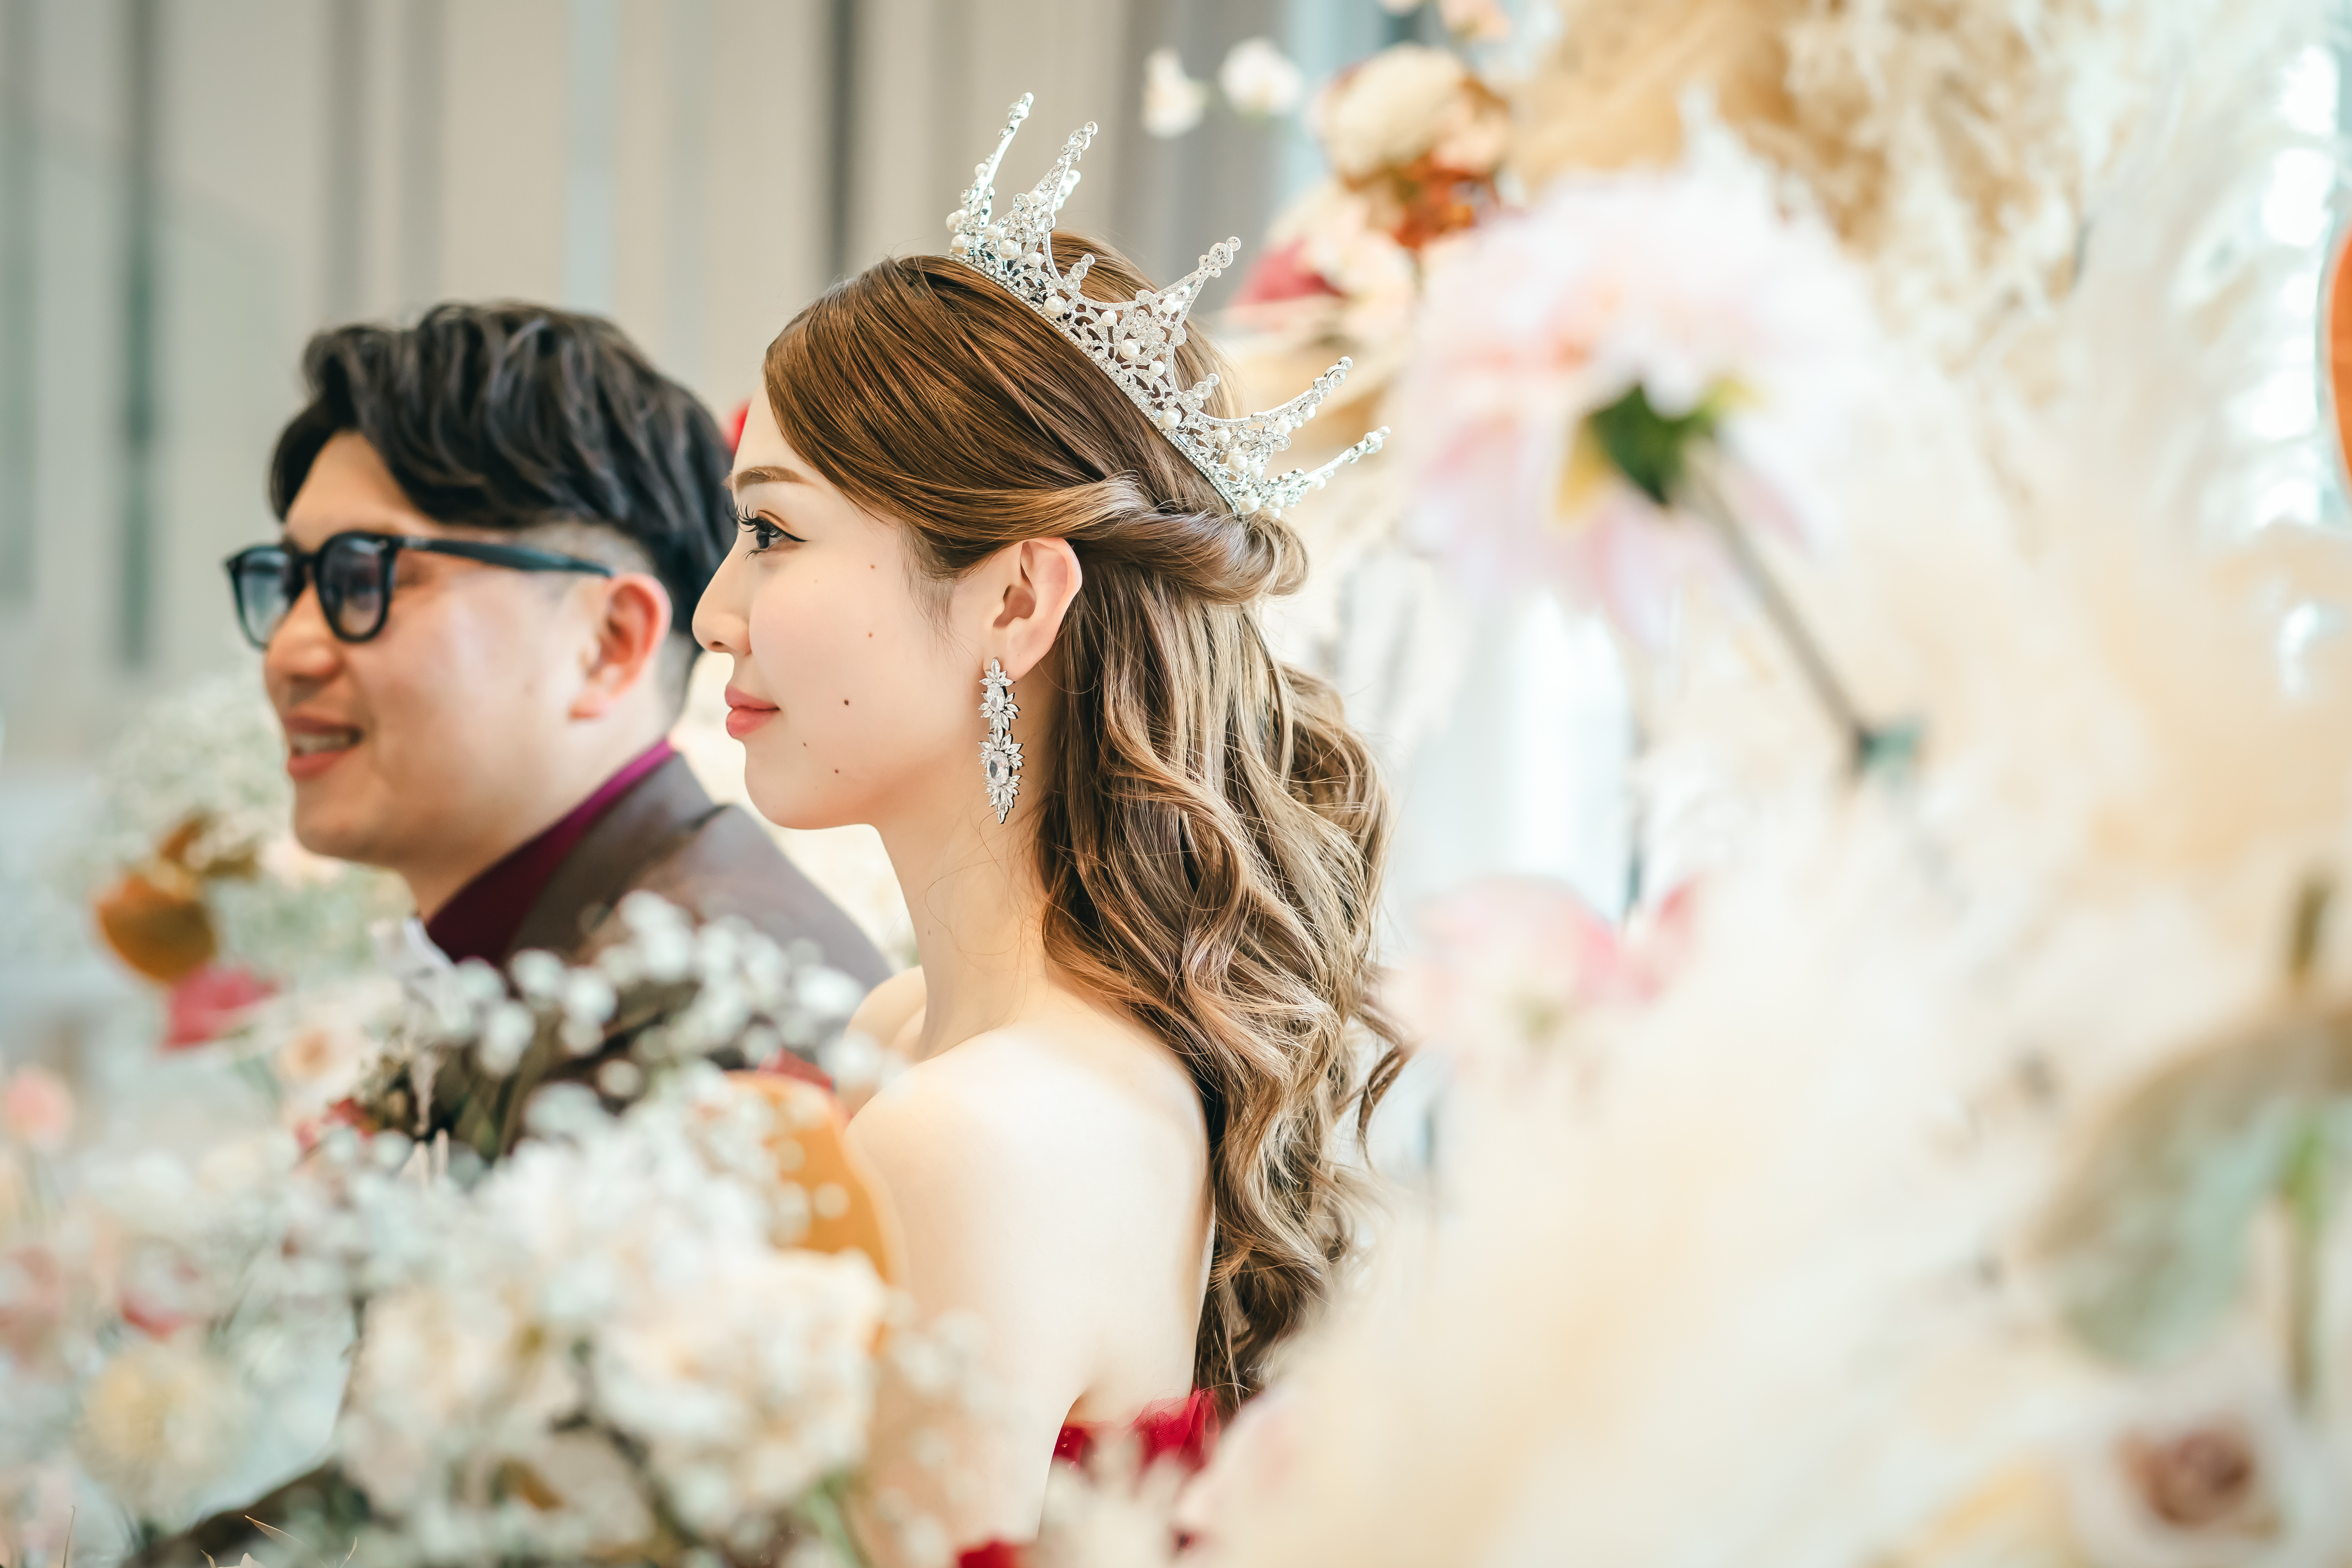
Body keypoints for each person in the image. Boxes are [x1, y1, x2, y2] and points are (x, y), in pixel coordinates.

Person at [692, 120, 1403, 1548]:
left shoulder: (969, 1133)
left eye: (772, 535)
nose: (718, 613)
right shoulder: (929, 1035)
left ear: (1015, 601)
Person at [233, 301, 890, 1048]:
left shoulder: (710, 1007)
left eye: (363, 579)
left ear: (608, 644)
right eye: (290, 583)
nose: (288, 653)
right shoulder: (570, 957)